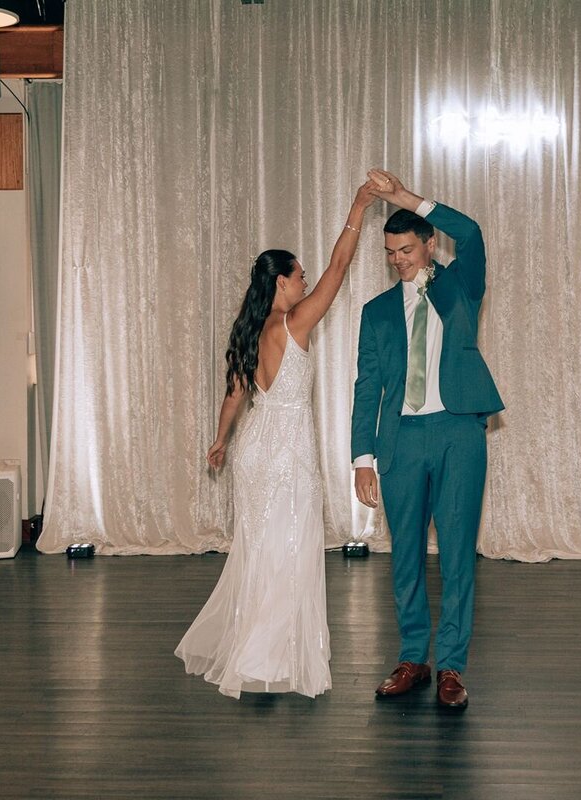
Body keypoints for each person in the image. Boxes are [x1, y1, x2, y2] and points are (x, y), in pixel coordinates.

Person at [175, 180, 377, 699]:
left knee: (262, 547)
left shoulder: (249, 327)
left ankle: (266, 647)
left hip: (254, 447)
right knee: (290, 549)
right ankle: (268, 653)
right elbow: (338, 270)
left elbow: (234, 395)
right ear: (284, 282)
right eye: (299, 275)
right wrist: (356, 208)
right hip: (287, 448)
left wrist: (220, 439)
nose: (307, 281)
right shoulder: (294, 322)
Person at [351, 169, 504, 710]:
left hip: (458, 431)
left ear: (428, 244)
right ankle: (414, 658)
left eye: (408, 249)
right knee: (406, 555)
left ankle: (452, 667)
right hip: (401, 441)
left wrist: (401, 196)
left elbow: (475, 232)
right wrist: (362, 457)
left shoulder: (459, 285)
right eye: (391, 252)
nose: (399, 260)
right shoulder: (376, 312)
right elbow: (368, 385)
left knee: (459, 553)